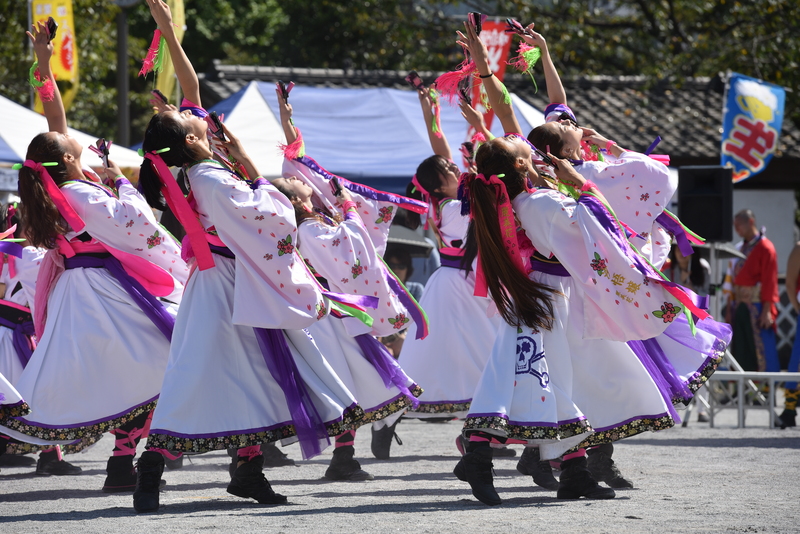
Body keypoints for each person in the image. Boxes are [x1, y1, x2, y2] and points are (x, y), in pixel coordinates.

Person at [462, 19, 725, 491]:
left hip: (561, 293)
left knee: (562, 378)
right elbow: (593, 224)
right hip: (555, 294)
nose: (573, 130)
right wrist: (582, 184)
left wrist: (538, 56)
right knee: (541, 378)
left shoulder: (532, 186)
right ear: (530, 158)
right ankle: (512, 457)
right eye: (560, 135)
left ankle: (573, 468)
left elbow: (553, 113)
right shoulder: (543, 192)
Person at [132, 0, 367, 513]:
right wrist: (255, 171)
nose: (208, 126)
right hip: (231, 286)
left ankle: (246, 471)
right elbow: (274, 219)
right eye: (199, 128)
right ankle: (156, 463)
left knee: (242, 374)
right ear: (193, 141)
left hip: (222, 281)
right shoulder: (211, 176)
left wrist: (170, 35)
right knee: (218, 374)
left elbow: (190, 92)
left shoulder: (192, 170)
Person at [0, 20, 189, 487]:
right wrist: (121, 181)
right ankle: (129, 459)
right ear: (67, 160)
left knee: (137, 373)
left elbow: (53, 123)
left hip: (77, 291)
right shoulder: (80, 194)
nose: (79, 144)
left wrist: (43, 65)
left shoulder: (52, 186)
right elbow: (136, 222)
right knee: (173, 356)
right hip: (105, 291)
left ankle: (123, 462)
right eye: (75, 148)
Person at [272, 91, 424, 472]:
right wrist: (351, 208)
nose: (310, 184)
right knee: (347, 381)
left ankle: (345, 454)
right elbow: (352, 246)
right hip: (330, 317)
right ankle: (342, 454)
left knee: (348, 381)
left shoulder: (305, 224)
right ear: (300, 200)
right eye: (304, 187)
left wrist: (287, 120)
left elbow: (296, 165)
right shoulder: (311, 231)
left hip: (325, 314)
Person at [726, 209, 780, 373]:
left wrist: (766, 310)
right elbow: (731, 281)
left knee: (761, 350)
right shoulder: (739, 248)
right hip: (740, 305)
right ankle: (744, 391)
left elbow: (770, 281)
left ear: (750, 222)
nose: (737, 230)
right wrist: (729, 308)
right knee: (742, 350)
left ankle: (764, 390)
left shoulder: (765, 247)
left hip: (757, 307)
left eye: (739, 225)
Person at [779, 240, 800, 428]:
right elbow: (791, 284)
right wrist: (798, 308)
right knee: (797, 359)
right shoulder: (799, 249)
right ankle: (790, 407)